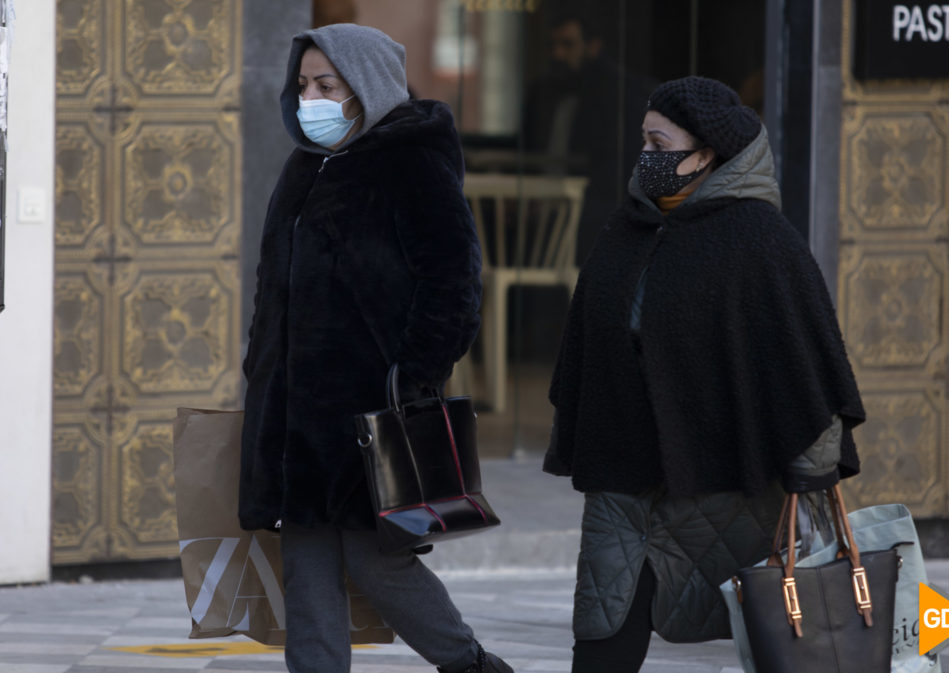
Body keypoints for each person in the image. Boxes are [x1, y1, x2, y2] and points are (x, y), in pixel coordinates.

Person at [544, 76, 866, 672]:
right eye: (643, 141)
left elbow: (804, 361)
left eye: (658, 143)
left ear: (706, 155)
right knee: (602, 632)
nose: (645, 157)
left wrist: (812, 472)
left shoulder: (761, 240)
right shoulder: (627, 228)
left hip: (726, 478)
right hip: (625, 474)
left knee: (781, 629)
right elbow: (587, 340)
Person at [239, 23, 512, 673]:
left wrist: (414, 375)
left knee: (376, 560)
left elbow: (453, 279)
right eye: (303, 85)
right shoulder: (304, 166)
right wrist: (261, 366)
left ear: (366, 87)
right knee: (305, 567)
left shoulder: (409, 160)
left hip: (370, 410)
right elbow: (271, 281)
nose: (311, 98)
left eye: (327, 85)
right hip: (295, 415)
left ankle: (470, 663)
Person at [522, 10, 655, 264]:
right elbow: (528, 151)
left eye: (568, 44)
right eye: (553, 45)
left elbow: (616, 167)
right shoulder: (541, 94)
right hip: (540, 210)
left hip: (590, 211)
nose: (558, 54)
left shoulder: (617, 96)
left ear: (592, 47)